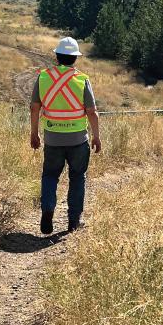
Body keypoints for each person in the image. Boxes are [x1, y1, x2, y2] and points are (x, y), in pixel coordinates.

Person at [30, 37, 102, 235]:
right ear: (75, 58)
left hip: (52, 139)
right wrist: (96, 136)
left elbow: (34, 108)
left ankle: (47, 209)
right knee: (78, 178)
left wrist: (34, 133)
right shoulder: (82, 79)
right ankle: (73, 221)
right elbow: (92, 112)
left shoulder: (43, 77)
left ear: (57, 56)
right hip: (78, 139)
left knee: (50, 175)